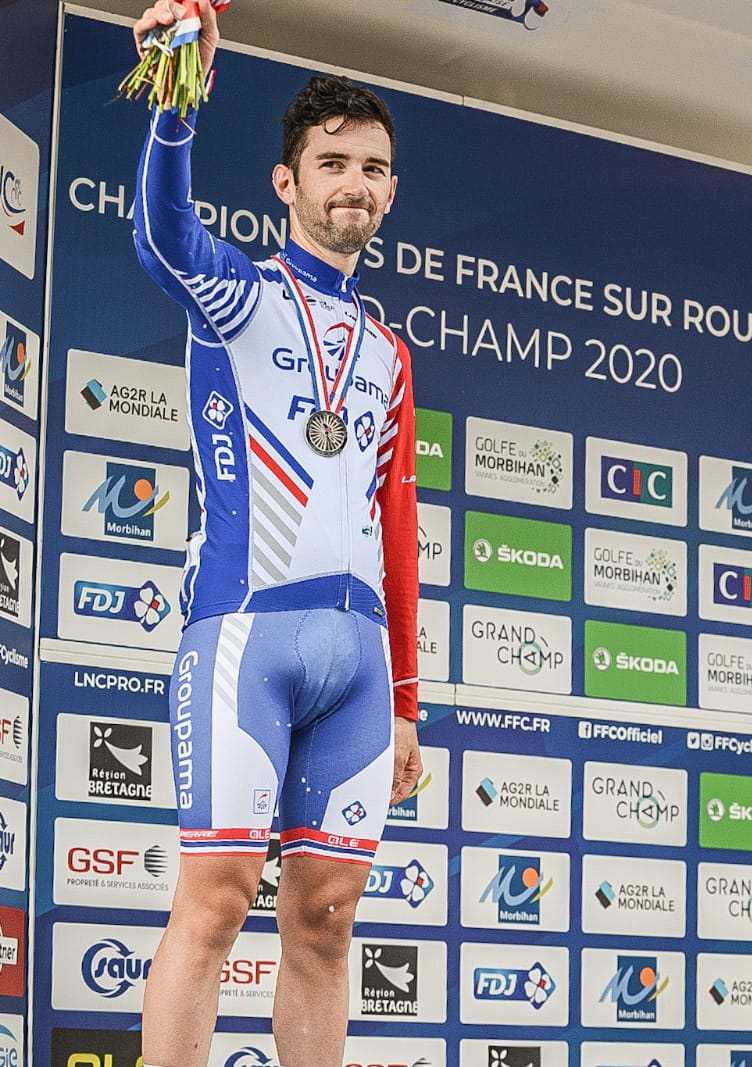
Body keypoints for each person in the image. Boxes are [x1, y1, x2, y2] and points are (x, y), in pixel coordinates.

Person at [129, 4, 421, 1065]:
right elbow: (163, 232)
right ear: (286, 183)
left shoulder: (387, 351)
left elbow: (396, 532)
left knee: (327, 921)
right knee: (215, 901)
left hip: (360, 663)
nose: (354, 184)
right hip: (245, 638)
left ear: (391, 190)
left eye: (373, 168)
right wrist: (176, 103)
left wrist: (406, 702)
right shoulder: (240, 297)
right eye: (332, 164)